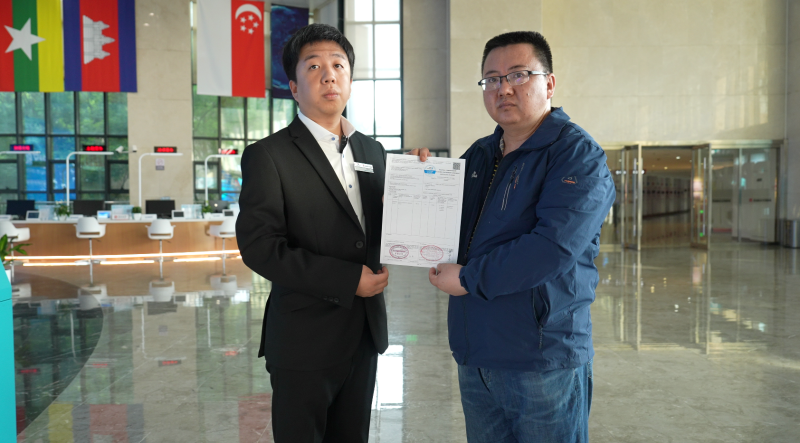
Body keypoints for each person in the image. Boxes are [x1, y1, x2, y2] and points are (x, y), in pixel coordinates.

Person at [236, 24, 427, 443]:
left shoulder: (373, 151)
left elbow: (380, 228)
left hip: (364, 333)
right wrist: (346, 279)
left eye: (338, 65)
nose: (329, 75)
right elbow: (259, 247)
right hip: (304, 339)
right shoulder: (269, 155)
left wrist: (419, 184)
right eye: (314, 66)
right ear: (293, 87)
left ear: (350, 81)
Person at [428, 31, 616, 442]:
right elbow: (447, 224)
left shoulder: (577, 155)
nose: (504, 88)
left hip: (541, 358)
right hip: (476, 351)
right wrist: (417, 181)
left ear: (549, 83)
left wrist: (468, 278)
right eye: (492, 79)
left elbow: (551, 248)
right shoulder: (480, 155)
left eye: (518, 74)